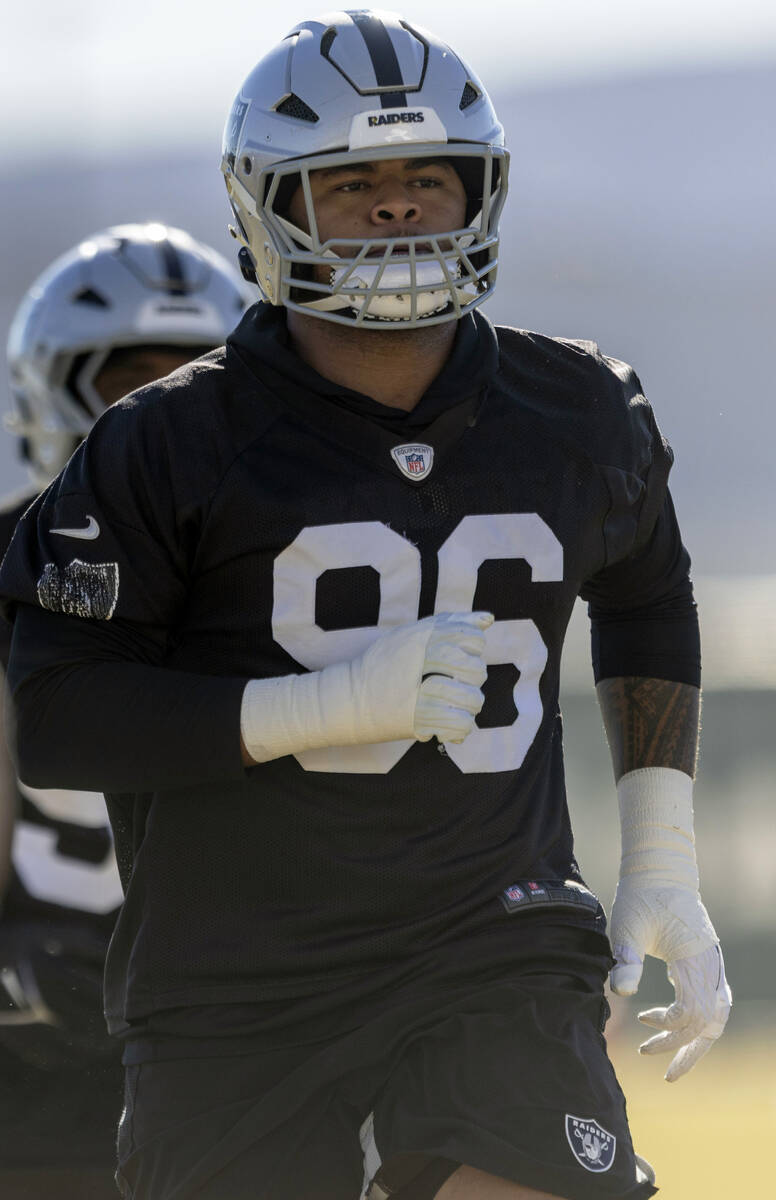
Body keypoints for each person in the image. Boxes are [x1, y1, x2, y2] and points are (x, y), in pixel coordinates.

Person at [0, 12, 731, 1200]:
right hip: (236, 976)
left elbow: (647, 596)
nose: (396, 206)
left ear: (480, 190)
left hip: (490, 938)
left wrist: (661, 859)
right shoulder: (163, 443)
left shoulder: (579, 406)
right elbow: (61, 718)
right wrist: (326, 706)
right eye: (351, 184)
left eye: (426, 176)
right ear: (266, 205)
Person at [0, 222, 248, 1199]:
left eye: (194, 381)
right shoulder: (11, 568)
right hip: (29, 1095)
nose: (161, 412)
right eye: (131, 382)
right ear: (52, 389)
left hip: (248, 1075)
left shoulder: (298, 576)